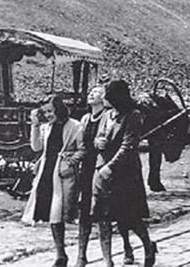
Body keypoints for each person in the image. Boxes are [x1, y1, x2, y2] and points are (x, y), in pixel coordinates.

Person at [93, 80, 157, 266]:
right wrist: (99, 143)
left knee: (130, 215)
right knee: (106, 215)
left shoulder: (133, 115)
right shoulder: (106, 115)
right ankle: (117, 256)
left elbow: (128, 146)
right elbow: (98, 137)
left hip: (125, 173)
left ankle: (147, 245)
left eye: (107, 94)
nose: (104, 97)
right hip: (103, 171)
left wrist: (110, 166)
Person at [22, 96, 85, 267]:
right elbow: (36, 147)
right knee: (51, 214)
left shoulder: (75, 126)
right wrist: (34, 125)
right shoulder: (45, 127)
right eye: (45, 112)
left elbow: (83, 150)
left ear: (59, 109)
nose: (48, 115)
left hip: (63, 174)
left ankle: (74, 254)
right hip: (46, 173)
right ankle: (60, 254)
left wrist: (70, 162)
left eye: (50, 111)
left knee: (59, 213)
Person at [75, 86, 108, 267]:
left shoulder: (109, 117)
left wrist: (102, 142)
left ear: (104, 98)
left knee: (103, 212)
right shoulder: (85, 118)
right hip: (86, 169)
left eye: (95, 92)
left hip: (102, 170)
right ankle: (81, 255)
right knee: (84, 210)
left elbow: (111, 140)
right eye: (91, 92)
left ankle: (108, 258)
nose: (91, 94)